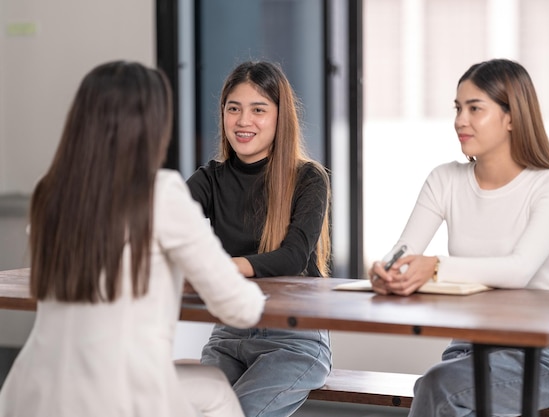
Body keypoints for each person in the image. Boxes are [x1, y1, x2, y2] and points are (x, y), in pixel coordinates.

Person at [0, 61, 266, 417]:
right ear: (152, 126)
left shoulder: (49, 193)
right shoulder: (161, 193)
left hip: (33, 390)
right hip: (117, 396)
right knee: (215, 387)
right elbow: (240, 308)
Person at [368, 58, 549, 416]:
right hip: (466, 350)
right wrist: (387, 271)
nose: (460, 120)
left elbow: (519, 270)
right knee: (436, 385)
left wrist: (435, 267)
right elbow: (404, 252)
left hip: (537, 357)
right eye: (458, 108)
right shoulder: (445, 179)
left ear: (511, 117)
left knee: (437, 388)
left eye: (474, 108)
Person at [186, 60, 332, 417]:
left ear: (280, 117)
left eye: (258, 110)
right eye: (233, 109)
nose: (243, 121)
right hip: (230, 335)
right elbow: (163, 222)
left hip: (294, 341)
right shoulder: (211, 178)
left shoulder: (308, 178)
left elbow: (292, 257)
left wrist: (221, 268)